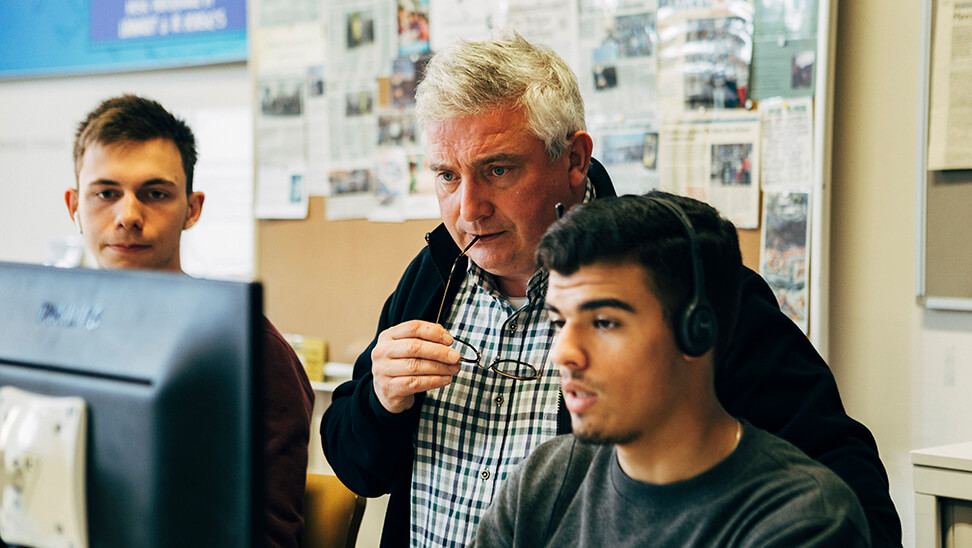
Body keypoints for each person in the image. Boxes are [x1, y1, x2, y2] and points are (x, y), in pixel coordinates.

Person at [320, 32, 900, 548]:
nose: (468, 209)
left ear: (574, 159)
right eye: (447, 176)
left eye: (498, 169)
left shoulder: (671, 279)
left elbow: (841, 481)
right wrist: (380, 401)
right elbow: (357, 467)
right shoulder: (433, 276)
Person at [471, 192, 871, 547]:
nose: (564, 354)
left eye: (604, 322)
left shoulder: (802, 519)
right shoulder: (546, 480)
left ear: (696, 332)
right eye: (559, 322)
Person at [64, 94, 314, 548]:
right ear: (74, 207)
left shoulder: (248, 348)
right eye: (106, 193)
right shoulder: (54, 333)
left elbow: (268, 536)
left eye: (155, 194)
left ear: (192, 208)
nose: (128, 216)